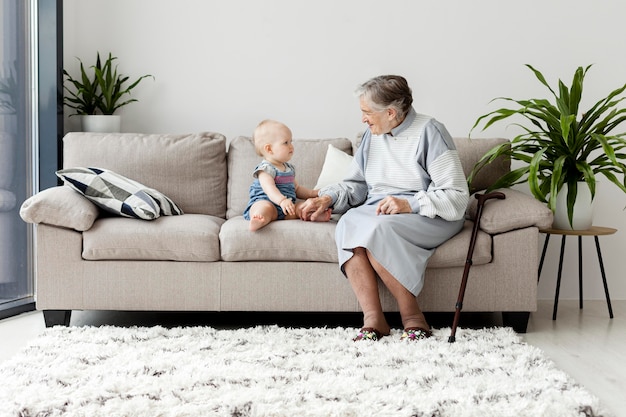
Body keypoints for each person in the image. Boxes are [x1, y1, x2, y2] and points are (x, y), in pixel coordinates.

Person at [299, 75, 469, 341]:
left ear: (390, 113)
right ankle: (374, 321)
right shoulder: (372, 135)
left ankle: (414, 319)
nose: (363, 120)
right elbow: (356, 186)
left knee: (377, 228)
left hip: (428, 212)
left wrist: (408, 203)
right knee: (349, 223)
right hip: (383, 210)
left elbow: (456, 196)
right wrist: (328, 199)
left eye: (367, 112)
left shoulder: (430, 131)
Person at [243, 119, 332, 231]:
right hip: (268, 202)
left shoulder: (289, 168)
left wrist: (313, 193)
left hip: (287, 208)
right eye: (286, 143)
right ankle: (259, 218)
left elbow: (297, 189)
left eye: (291, 141)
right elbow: (269, 189)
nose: (291, 146)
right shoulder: (265, 169)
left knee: (301, 207)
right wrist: (282, 201)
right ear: (269, 149)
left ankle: (314, 215)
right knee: (264, 207)